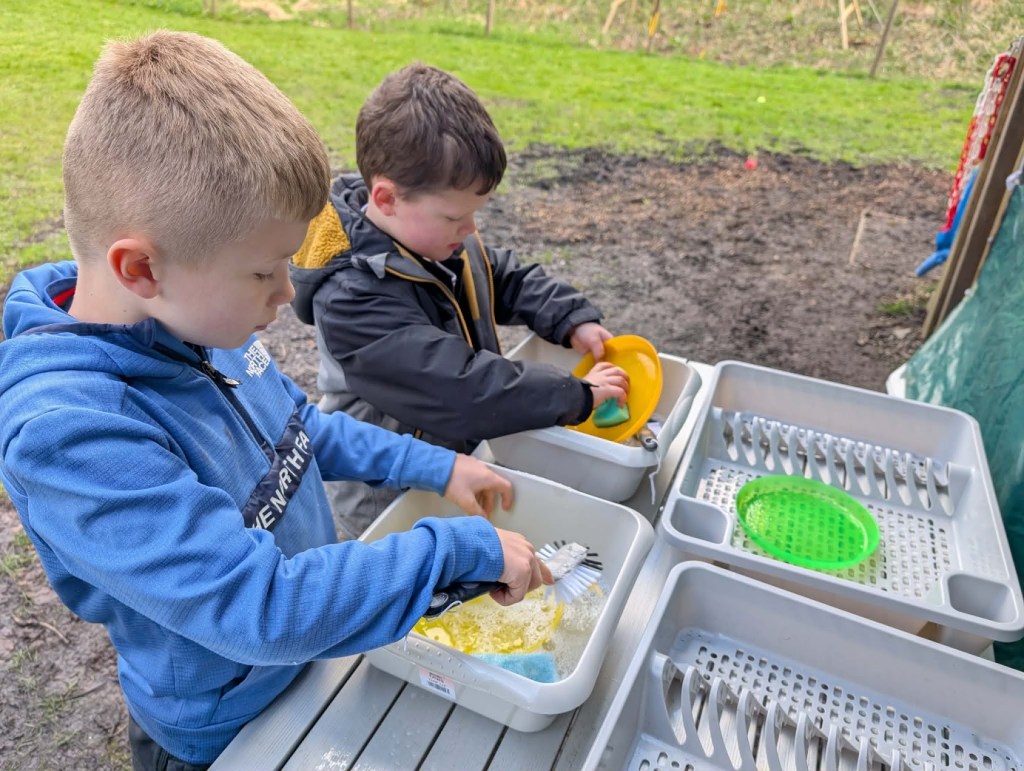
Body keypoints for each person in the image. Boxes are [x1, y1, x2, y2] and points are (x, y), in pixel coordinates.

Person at [0, 32, 551, 771]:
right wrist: (452, 550)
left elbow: (301, 431)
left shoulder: (193, 318)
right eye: (264, 273)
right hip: (225, 726)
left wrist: (437, 467)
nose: (287, 295)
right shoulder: (71, 435)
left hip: (308, 654)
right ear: (141, 268)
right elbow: (255, 604)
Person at [291, 63, 630, 539]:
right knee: (402, 596)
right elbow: (458, 387)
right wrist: (577, 396)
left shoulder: (435, 238)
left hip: (449, 463)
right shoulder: (351, 296)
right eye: (456, 216)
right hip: (387, 495)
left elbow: (501, 277)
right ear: (386, 198)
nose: (469, 229)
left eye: (475, 213)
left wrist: (568, 317)